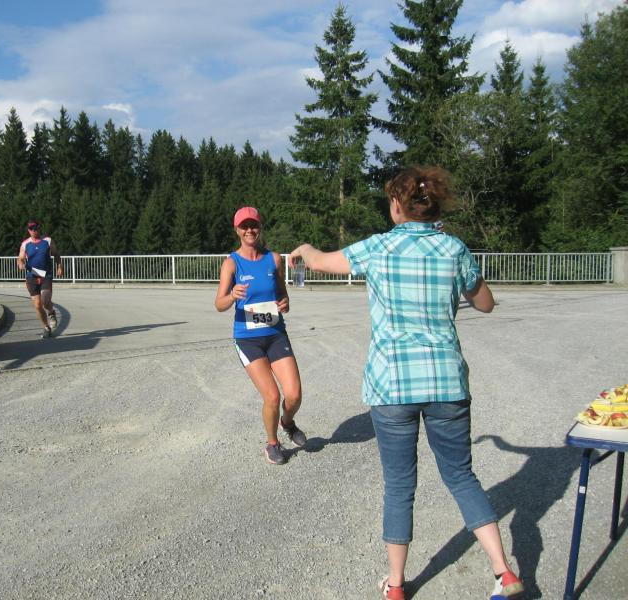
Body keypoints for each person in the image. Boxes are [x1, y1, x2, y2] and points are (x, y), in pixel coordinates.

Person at [288, 167, 524, 600]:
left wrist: (304, 249)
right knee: (461, 476)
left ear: (397, 205)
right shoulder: (454, 248)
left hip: (392, 385)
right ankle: (504, 572)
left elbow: (320, 261)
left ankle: (396, 585)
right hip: (446, 383)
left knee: (399, 486)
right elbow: (486, 304)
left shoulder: (378, 247)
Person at [215, 206, 306, 465]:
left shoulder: (273, 259)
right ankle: (272, 443)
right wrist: (232, 296)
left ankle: (287, 422)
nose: (249, 230)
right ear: (237, 230)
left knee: (294, 395)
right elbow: (219, 304)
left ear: (260, 227)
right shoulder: (231, 263)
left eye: (253, 225)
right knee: (273, 397)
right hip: (248, 339)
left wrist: (285, 302)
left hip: (276, 334)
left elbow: (281, 293)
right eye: (244, 226)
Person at [17, 220, 63, 338]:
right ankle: (46, 327)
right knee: (37, 305)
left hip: (46, 275)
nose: (34, 231)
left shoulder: (47, 241)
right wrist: (20, 263)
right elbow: (20, 257)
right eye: (31, 229)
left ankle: (51, 312)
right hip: (32, 276)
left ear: (39, 228)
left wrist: (59, 266)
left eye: (36, 228)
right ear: (28, 230)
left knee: (45, 302)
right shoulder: (25, 244)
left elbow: (56, 254)